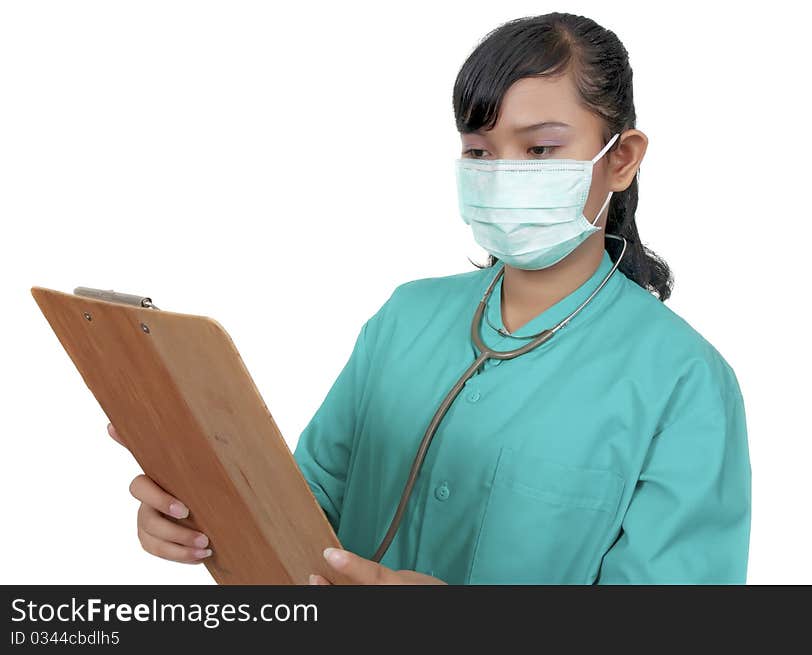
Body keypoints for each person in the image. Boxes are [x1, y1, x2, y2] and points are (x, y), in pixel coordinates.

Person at [112, 12, 751, 585]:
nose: (503, 172)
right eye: (480, 150)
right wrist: (204, 514)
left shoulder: (685, 382)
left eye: (541, 150)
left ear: (621, 160)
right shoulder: (404, 319)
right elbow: (305, 506)